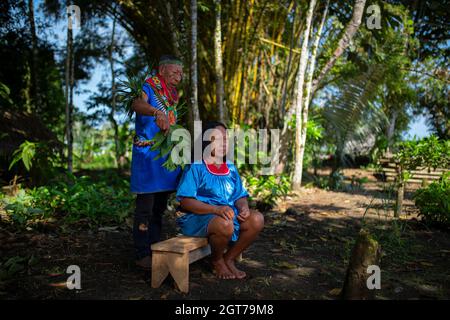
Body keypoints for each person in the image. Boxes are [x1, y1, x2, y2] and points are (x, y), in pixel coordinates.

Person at [176, 121, 264, 279]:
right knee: (224, 223)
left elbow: (239, 195)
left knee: (256, 219)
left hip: (227, 214)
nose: (224, 143)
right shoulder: (196, 166)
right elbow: (185, 201)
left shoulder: (230, 167)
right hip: (198, 217)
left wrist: (243, 207)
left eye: (226, 138)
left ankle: (229, 258)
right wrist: (216, 210)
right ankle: (216, 261)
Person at [130, 55, 183, 269]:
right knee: (145, 207)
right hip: (147, 155)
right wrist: (155, 111)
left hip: (165, 156)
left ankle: (154, 246)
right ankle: (142, 253)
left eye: (181, 73)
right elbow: (136, 104)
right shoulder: (148, 86)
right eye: (174, 72)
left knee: (160, 206)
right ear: (161, 70)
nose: (179, 77)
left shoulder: (173, 95)